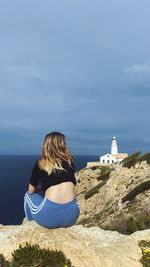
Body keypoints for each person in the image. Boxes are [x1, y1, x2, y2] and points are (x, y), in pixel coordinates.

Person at [24, 131, 80, 228]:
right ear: (63, 145)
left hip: (49, 218)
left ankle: (30, 226)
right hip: (72, 216)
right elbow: (59, 180)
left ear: (46, 145)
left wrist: (41, 188)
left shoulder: (40, 164)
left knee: (27, 195)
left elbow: (31, 190)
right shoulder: (71, 161)